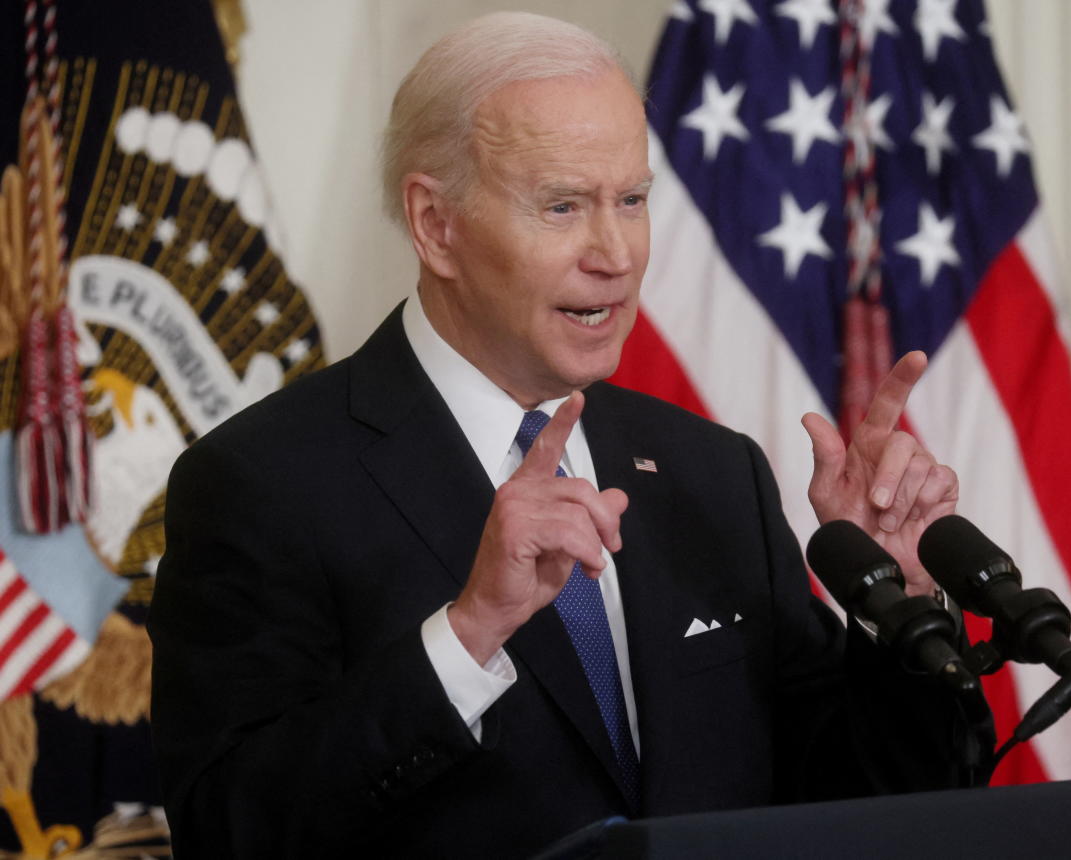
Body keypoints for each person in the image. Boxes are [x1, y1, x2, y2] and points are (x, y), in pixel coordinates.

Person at [148, 12, 976, 859]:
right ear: (436, 225)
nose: (614, 253)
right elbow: (228, 831)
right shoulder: (263, 481)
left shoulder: (711, 471)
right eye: (562, 206)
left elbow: (858, 800)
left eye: (632, 200)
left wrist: (895, 601)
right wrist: (468, 634)